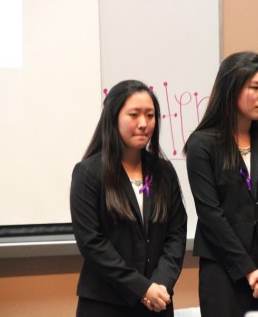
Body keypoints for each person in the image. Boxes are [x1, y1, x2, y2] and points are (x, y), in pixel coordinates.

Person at [184, 51, 258, 317]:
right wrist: (248, 269)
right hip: (223, 268)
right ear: (230, 89)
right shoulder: (202, 144)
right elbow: (210, 214)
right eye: (254, 88)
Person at [70, 80, 187, 317]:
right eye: (134, 115)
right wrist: (142, 288)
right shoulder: (88, 172)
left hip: (158, 301)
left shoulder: (164, 172)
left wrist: (160, 285)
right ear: (113, 118)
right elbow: (92, 243)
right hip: (105, 303)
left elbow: (176, 236)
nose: (144, 123)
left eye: (150, 115)